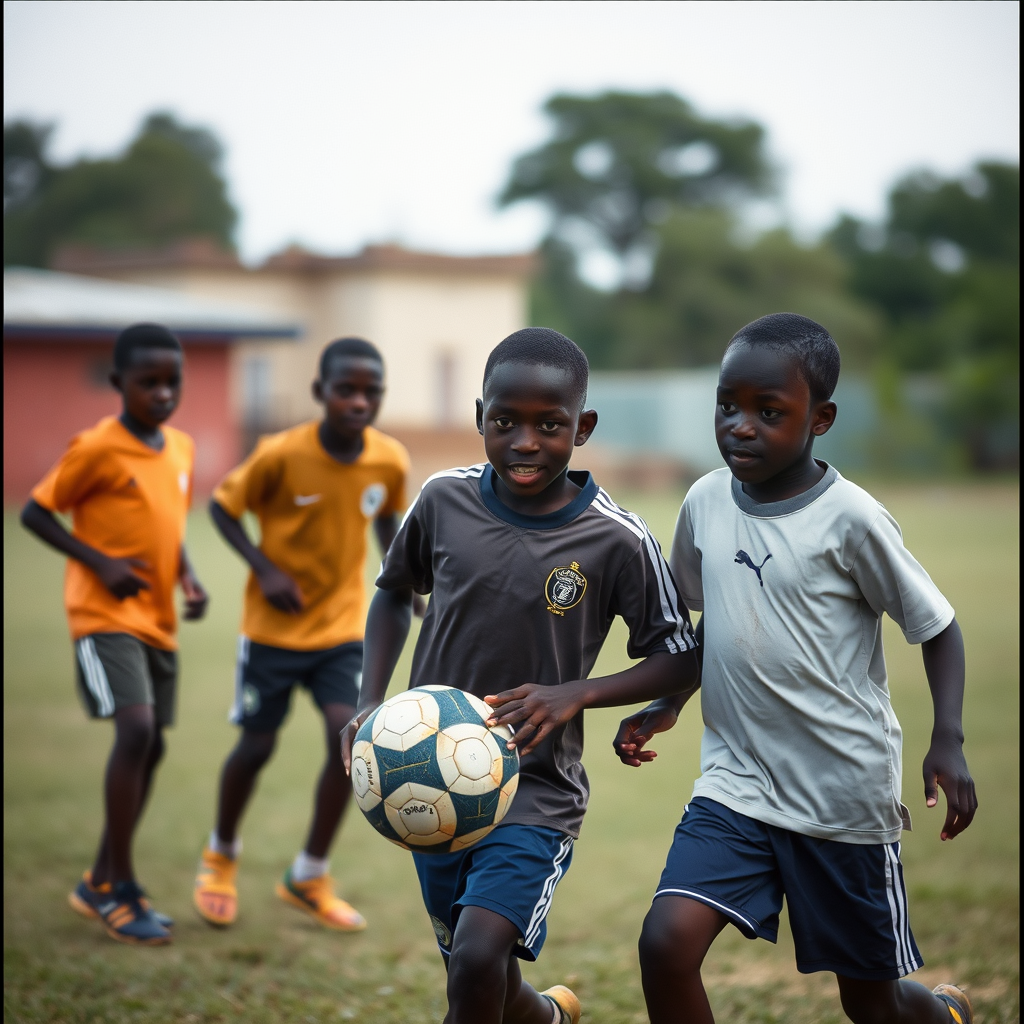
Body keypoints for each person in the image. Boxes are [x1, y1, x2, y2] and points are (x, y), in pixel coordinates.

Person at [613, 313, 977, 1024]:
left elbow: (938, 627)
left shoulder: (853, 519)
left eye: (768, 412)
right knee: (666, 944)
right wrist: (672, 702)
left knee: (871, 1004)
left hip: (840, 798)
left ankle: (944, 1016)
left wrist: (950, 740)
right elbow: (714, 616)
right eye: (728, 405)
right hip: (736, 785)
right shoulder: (706, 502)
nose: (740, 426)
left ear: (822, 418)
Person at [341, 327, 701, 1024]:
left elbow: (681, 654)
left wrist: (582, 693)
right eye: (505, 422)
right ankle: (551, 1018)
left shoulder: (615, 538)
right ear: (480, 418)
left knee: (476, 959)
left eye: (550, 425)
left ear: (583, 427)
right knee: (481, 974)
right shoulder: (443, 500)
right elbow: (392, 591)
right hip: (428, 781)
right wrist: (367, 700)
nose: (525, 442)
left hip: (535, 791)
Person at [193, 337, 413, 932]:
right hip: (272, 633)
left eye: (372, 392)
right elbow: (220, 507)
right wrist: (263, 567)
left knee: (348, 743)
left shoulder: (388, 460)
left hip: (342, 629)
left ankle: (309, 874)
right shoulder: (280, 454)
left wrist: (411, 586)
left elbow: (389, 525)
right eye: (346, 389)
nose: (359, 401)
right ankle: (220, 856)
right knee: (257, 747)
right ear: (320, 392)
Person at [20, 322, 208, 946]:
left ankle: (96, 878)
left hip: (158, 620)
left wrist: (188, 577)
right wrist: (98, 562)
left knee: (151, 746)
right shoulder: (97, 447)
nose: (161, 393)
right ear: (117, 383)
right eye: (147, 382)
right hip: (103, 617)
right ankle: (119, 888)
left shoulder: (179, 448)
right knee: (135, 730)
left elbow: (167, 524)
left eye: (171, 381)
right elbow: (35, 511)